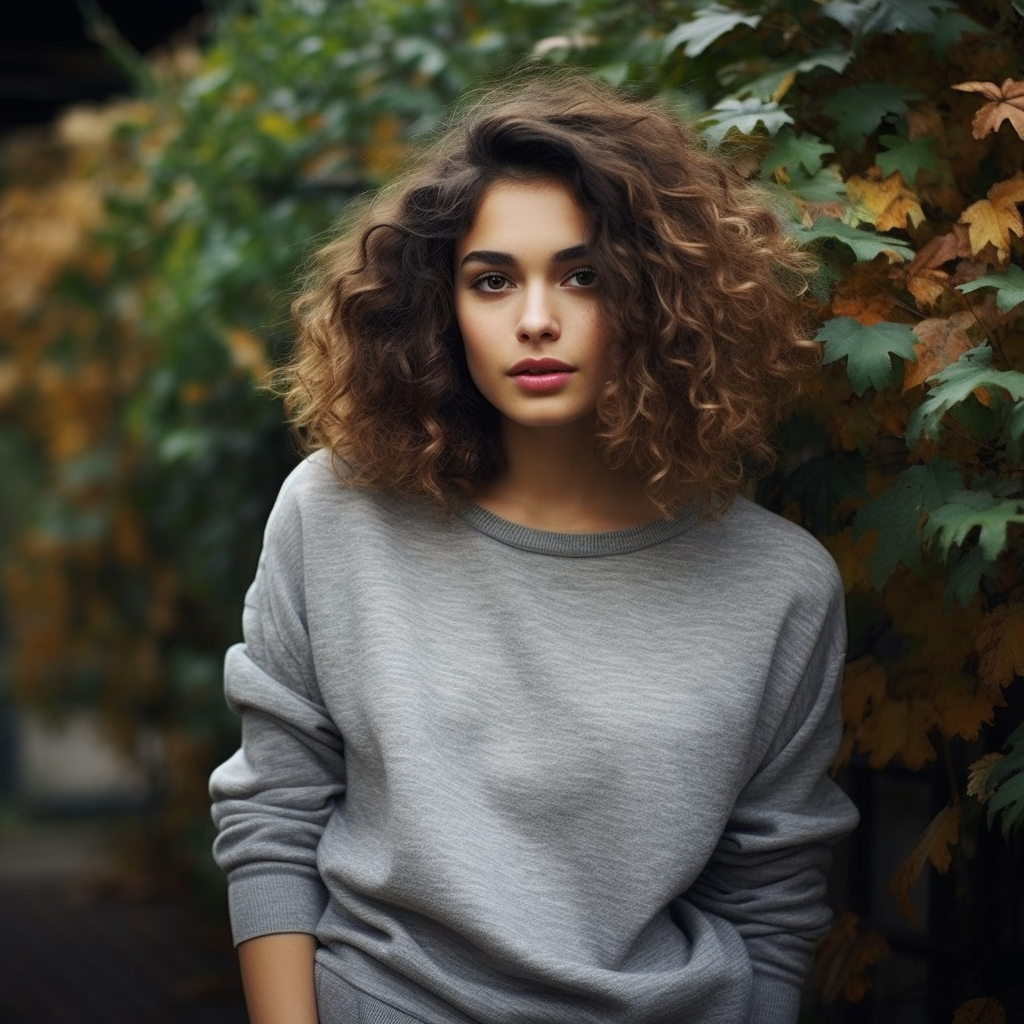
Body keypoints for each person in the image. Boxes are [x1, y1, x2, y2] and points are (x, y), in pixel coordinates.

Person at [209, 70, 859, 1024]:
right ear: (440, 307)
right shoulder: (336, 515)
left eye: (583, 274)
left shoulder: (781, 586)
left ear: (660, 299)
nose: (536, 319)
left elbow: (771, 898)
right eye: (493, 280)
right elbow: (273, 812)